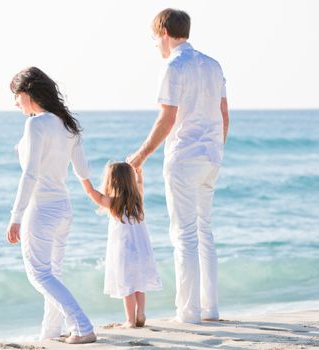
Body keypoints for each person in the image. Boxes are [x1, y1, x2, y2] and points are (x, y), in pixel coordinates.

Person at [127, 8, 230, 324]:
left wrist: (139, 157)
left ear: (164, 34)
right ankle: (209, 308)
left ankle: (188, 313)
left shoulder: (173, 66)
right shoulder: (213, 65)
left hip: (184, 158)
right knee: (204, 231)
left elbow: (167, 118)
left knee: (184, 235)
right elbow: (224, 115)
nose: (156, 45)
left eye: (155, 38)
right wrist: (216, 149)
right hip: (211, 157)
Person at [6, 66, 96, 344]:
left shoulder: (35, 124)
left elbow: (30, 174)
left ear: (28, 93)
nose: (16, 103)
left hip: (41, 210)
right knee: (52, 273)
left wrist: (15, 216)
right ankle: (50, 332)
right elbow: (83, 170)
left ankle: (81, 327)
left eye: (17, 97)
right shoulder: (68, 125)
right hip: (63, 208)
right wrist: (96, 193)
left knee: (39, 275)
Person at [81, 162, 162, 328]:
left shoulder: (113, 203)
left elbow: (91, 192)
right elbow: (139, 184)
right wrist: (139, 173)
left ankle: (130, 321)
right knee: (139, 283)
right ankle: (141, 312)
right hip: (142, 249)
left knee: (127, 285)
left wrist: (83, 177)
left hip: (124, 250)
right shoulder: (137, 198)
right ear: (129, 180)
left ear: (112, 182)